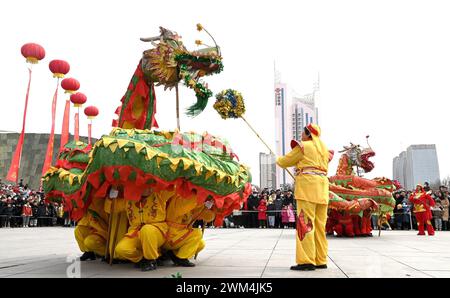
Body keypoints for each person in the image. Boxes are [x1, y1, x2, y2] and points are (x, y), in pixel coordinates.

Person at [276, 123, 333, 271]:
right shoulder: (324, 150)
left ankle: (306, 261)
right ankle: (321, 259)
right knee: (320, 227)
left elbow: (284, 161)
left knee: (305, 224)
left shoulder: (304, 146)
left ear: (309, 134)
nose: (301, 134)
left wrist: (278, 159)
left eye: (303, 132)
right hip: (322, 189)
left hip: (308, 189)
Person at [114, 188, 173, 271]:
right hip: (135, 232)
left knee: (147, 229)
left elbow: (173, 188)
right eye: (144, 185)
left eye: (149, 184)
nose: (148, 188)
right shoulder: (129, 198)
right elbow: (111, 208)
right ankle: (142, 259)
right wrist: (112, 193)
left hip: (157, 231)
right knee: (121, 249)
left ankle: (151, 260)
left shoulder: (160, 194)